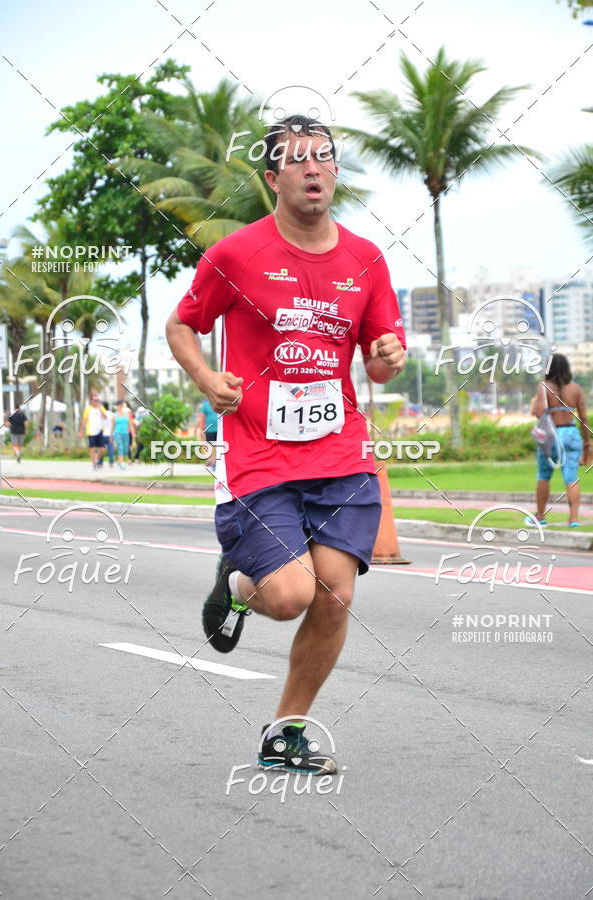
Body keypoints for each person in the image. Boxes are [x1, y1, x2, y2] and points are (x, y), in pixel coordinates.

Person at [166, 115, 406, 774]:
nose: (313, 169)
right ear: (273, 178)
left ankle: (285, 732)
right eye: (297, 160)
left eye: (323, 158)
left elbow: (382, 360)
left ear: (334, 173)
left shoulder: (366, 259)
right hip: (258, 454)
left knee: (335, 593)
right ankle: (239, 585)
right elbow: (183, 325)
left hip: (339, 453)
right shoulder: (237, 254)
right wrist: (208, 377)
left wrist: (388, 354)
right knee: (289, 595)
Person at [529, 353, 591, 527]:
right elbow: (583, 418)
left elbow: (540, 413)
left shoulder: (544, 386)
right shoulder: (576, 388)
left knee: (543, 476)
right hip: (571, 434)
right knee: (571, 477)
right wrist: (587, 442)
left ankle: (540, 517)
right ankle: (573, 519)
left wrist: (535, 404)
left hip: (552, 436)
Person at [78, 392, 108, 469]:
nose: (96, 401)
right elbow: (84, 421)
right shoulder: (88, 410)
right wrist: (81, 432)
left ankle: (97, 460)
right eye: (94, 400)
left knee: (102, 449)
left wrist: (100, 410)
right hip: (91, 432)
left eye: (97, 400)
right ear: (91, 401)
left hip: (100, 431)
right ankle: (94, 464)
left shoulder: (101, 408)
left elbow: (105, 417)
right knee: (93, 449)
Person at [114, 401, 135, 469]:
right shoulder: (115, 415)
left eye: (122, 406)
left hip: (126, 433)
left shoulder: (127, 414)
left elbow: (131, 425)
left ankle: (120, 460)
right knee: (121, 447)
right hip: (117, 433)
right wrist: (111, 435)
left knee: (126, 449)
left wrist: (133, 433)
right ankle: (122, 463)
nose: (121, 407)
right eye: (120, 406)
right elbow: (113, 425)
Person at [200, 396, 218, 470]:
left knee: (217, 447)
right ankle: (211, 462)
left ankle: (215, 463)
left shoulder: (217, 403)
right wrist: (202, 429)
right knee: (210, 447)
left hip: (219, 429)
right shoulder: (205, 405)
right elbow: (202, 417)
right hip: (209, 429)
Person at [99, 401, 115, 468]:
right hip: (110, 433)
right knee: (110, 449)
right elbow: (113, 425)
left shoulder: (101, 414)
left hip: (102, 434)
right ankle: (111, 462)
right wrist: (111, 434)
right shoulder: (112, 414)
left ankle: (100, 462)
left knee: (101, 449)